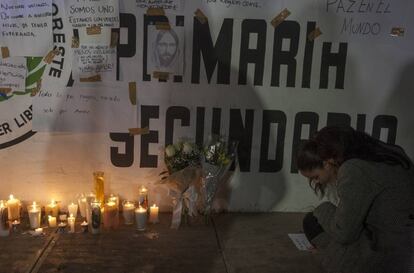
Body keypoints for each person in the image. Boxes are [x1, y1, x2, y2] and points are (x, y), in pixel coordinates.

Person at [296, 126, 414, 273]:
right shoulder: (389, 152)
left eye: (316, 177)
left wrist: (322, 209)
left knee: (312, 222)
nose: (317, 183)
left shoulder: (354, 169)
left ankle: (329, 253)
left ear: (328, 161)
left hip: (390, 254)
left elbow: (344, 234)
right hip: (403, 240)